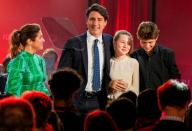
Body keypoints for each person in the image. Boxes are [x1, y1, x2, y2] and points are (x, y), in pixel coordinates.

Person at [58, 3, 113, 112]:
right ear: (86, 21)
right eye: (92, 19)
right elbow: (62, 74)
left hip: (102, 101)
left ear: (105, 22)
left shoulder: (111, 41)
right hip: (77, 101)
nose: (95, 23)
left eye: (99, 19)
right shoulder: (73, 43)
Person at [131, 21, 181, 92]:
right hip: (142, 98)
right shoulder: (134, 55)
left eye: (150, 42)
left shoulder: (167, 54)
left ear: (156, 38)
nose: (147, 46)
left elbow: (175, 77)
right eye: (143, 42)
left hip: (163, 98)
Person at [5, 23, 50, 97]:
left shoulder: (40, 60)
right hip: (24, 106)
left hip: (40, 105)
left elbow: (42, 86)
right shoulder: (18, 61)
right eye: (40, 37)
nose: (43, 40)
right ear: (29, 41)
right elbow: (13, 92)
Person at [108, 30, 139, 100]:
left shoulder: (133, 62)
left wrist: (127, 87)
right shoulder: (108, 62)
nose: (125, 46)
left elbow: (136, 92)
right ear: (114, 43)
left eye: (128, 43)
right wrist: (109, 85)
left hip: (127, 104)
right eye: (122, 42)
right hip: (110, 103)